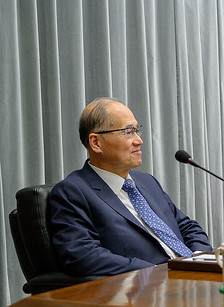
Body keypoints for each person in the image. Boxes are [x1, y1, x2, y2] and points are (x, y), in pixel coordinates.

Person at [49, 98, 213, 276]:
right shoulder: (73, 192)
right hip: (148, 285)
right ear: (96, 142)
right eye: (128, 132)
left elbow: (187, 227)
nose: (139, 140)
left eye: (137, 130)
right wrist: (156, 273)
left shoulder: (147, 182)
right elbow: (83, 255)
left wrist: (199, 259)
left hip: (194, 275)